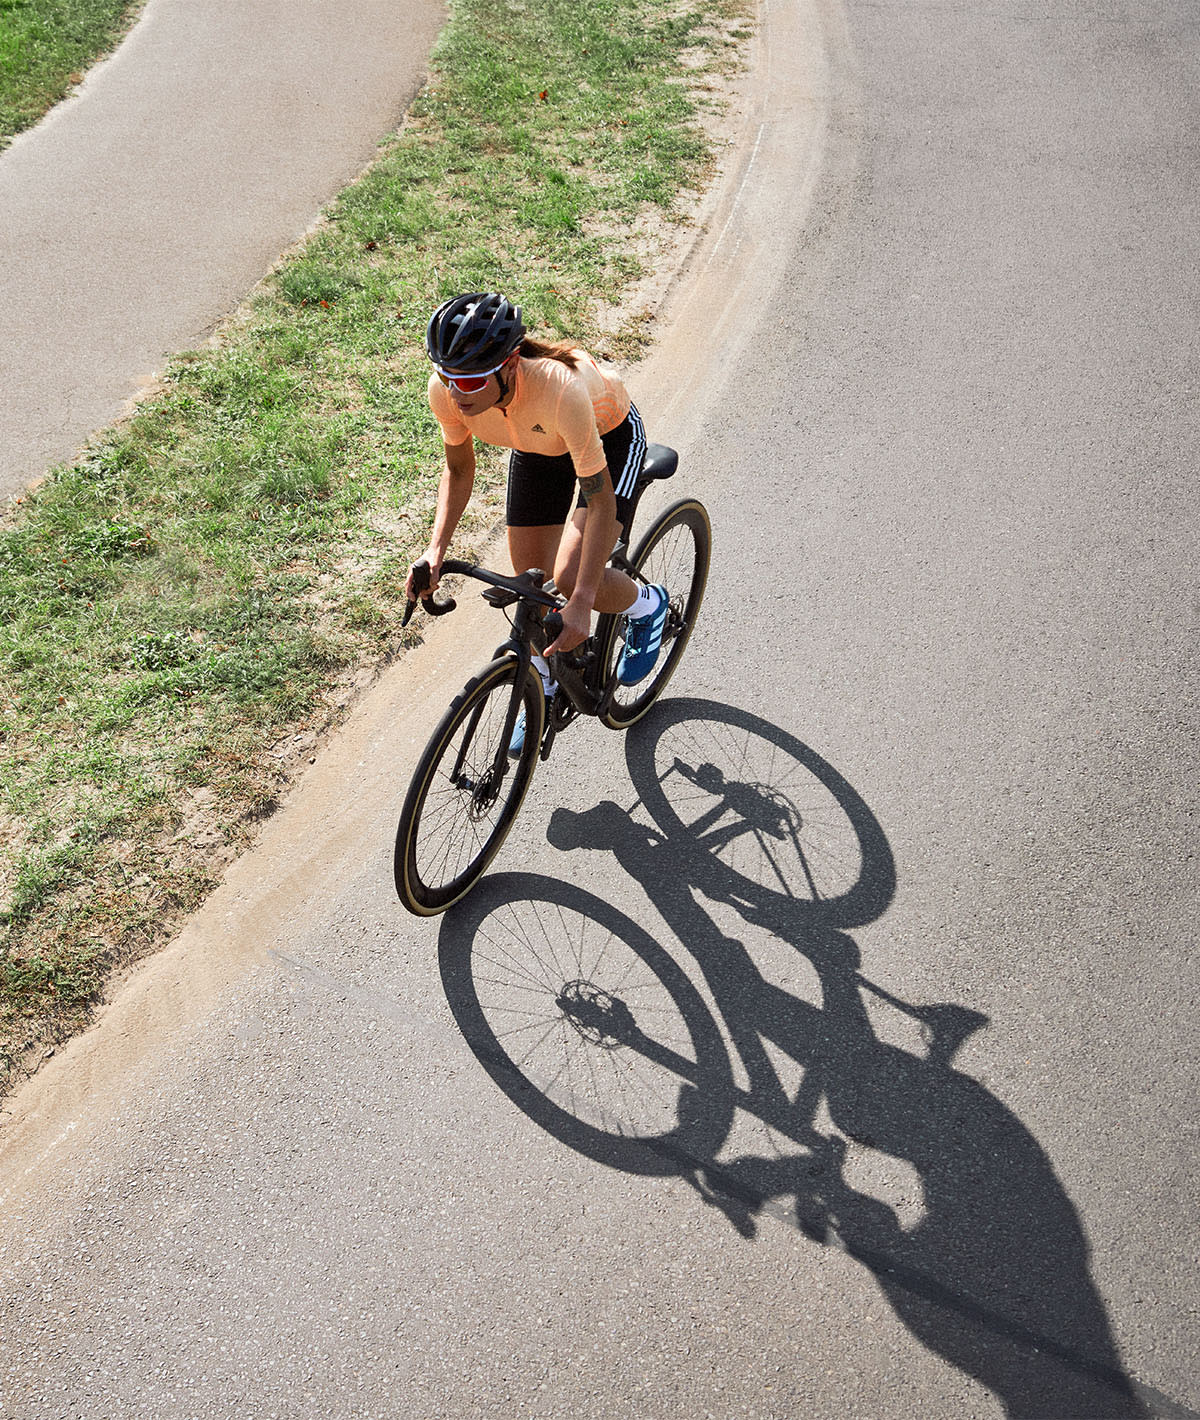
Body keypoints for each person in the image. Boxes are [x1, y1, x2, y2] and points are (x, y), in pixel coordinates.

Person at [405, 291, 669, 749]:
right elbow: (459, 468)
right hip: (538, 445)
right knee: (529, 583)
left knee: (568, 576)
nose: (453, 392)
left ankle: (648, 606)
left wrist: (584, 600)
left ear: (509, 366)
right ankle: (542, 687)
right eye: (447, 377)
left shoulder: (559, 389)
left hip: (609, 441)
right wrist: (436, 551)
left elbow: (600, 501)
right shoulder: (447, 394)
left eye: (468, 382)